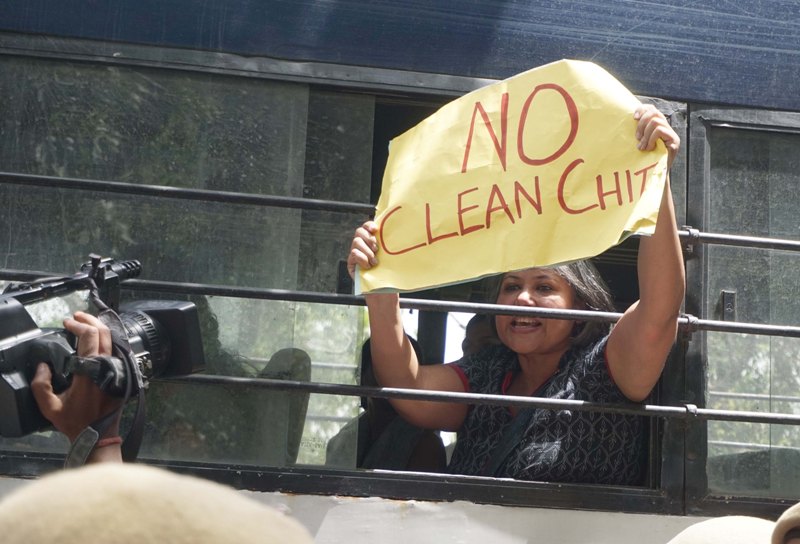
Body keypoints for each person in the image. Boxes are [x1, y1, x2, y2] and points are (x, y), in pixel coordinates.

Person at [346, 104, 685, 484]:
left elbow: (660, 308)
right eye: (511, 287)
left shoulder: (604, 369)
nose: (522, 299)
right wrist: (381, 289)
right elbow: (406, 387)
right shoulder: (488, 372)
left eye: (544, 287)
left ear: (582, 304)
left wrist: (656, 180)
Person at [326, 337, 447, 472]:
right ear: (363, 376)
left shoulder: (427, 446)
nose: (390, 377)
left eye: (402, 371)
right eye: (382, 367)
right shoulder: (342, 440)